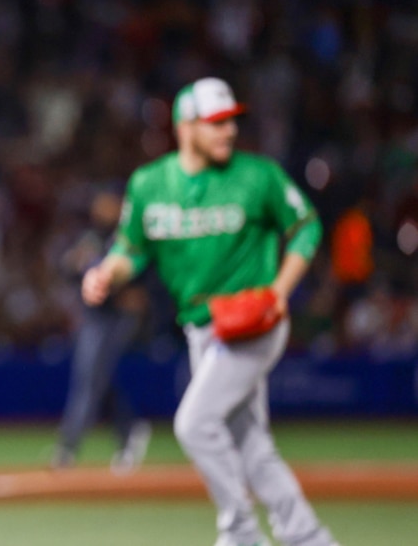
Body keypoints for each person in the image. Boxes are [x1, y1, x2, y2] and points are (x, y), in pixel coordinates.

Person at [81, 78, 338, 546]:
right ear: (185, 126)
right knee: (252, 445)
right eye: (216, 122)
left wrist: (281, 290)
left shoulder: (257, 176)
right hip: (203, 329)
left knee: (194, 424)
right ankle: (308, 537)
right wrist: (107, 274)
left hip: (252, 322)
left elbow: (306, 227)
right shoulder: (149, 184)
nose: (229, 131)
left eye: (232, 121)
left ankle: (241, 534)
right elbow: (131, 250)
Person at [52, 190, 151, 474]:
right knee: (97, 379)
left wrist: (134, 293)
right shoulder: (91, 237)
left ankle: (67, 448)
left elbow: (142, 276)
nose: (101, 209)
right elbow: (67, 267)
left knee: (90, 379)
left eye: (108, 203)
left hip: (116, 317)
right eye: (99, 203)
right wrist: (74, 263)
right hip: (93, 316)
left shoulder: (126, 236)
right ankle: (130, 431)